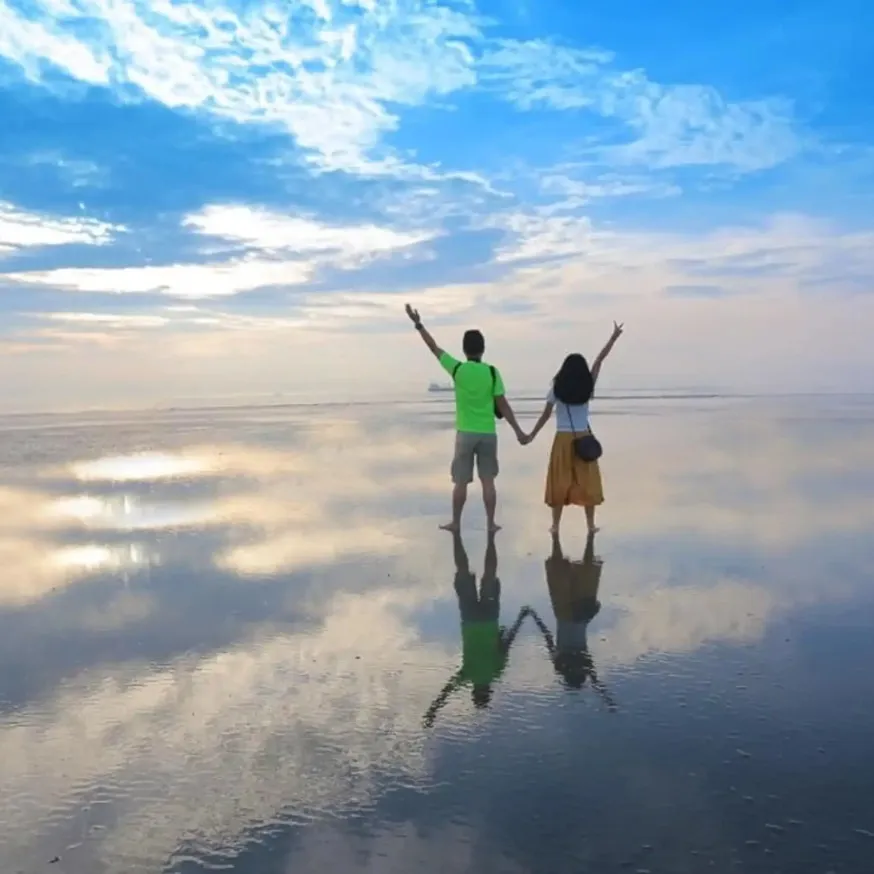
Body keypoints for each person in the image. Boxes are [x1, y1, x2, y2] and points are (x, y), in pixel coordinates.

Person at [404, 303, 526, 533]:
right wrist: (519, 430)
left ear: (464, 349)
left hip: (465, 433)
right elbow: (503, 404)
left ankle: (456, 523)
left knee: (460, 482)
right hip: (488, 433)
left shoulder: (458, 369)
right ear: (483, 349)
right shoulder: (492, 372)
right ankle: (490, 524)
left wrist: (418, 324)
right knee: (488, 481)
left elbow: (434, 348)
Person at [524, 321, 624, 534]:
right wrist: (614, 337)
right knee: (588, 482)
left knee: (559, 482)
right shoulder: (587, 386)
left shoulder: (557, 388)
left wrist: (531, 434)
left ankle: (555, 526)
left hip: (562, 440)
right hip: (584, 439)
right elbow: (599, 360)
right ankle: (590, 525)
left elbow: (544, 415)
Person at [423, 531, 530, 727]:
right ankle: (457, 535)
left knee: (490, 575)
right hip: (471, 618)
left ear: (489, 690)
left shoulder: (496, 672)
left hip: (489, 618)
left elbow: (506, 644)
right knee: (462, 572)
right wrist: (432, 710)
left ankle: (491, 537)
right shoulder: (469, 675)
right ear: (473, 690)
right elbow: (446, 691)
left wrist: (520, 619)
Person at [528, 530, 616, 709]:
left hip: (579, 615)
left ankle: (573, 549)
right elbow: (548, 638)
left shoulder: (580, 660)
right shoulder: (563, 660)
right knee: (565, 574)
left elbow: (594, 678)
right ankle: (566, 551)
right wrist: (606, 698)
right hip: (566, 613)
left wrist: (606, 698)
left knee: (582, 574)